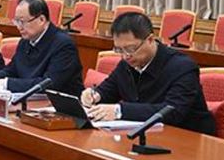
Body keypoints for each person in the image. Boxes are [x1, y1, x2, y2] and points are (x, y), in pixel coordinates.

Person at [81, 12, 216, 134]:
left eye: (130, 49)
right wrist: (95, 95)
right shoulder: (127, 63)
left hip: (187, 137)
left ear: (150, 40)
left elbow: (173, 111)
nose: (125, 56)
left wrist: (119, 111)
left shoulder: (182, 67)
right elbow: (109, 89)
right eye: (119, 50)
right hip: (146, 134)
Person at [0, 0, 83, 96]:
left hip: (56, 103)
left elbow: (49, 84)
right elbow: (12, 70)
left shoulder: (63, 44)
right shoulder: (25, 41)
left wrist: (6, 84)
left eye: (22, 21)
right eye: (16, 21)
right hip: (31, 100)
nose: (19, 27)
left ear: (41, 20)